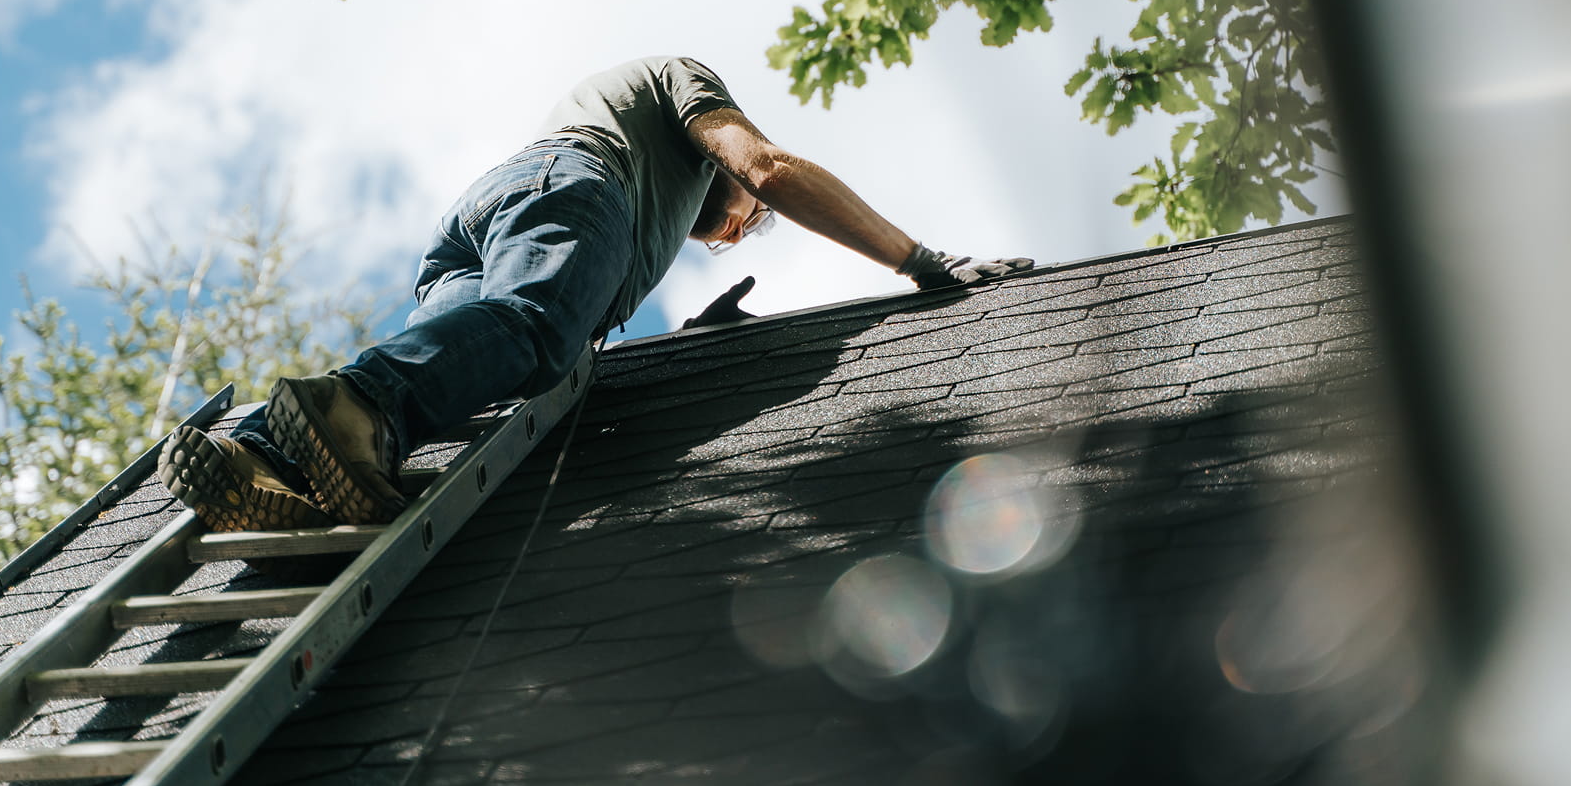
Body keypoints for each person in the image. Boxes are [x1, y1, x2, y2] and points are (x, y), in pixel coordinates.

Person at [157, 56, 1031, 532]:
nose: (727, 235)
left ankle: (259, 455)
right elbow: (766, 165)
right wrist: (919, 260)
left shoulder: (630, 166)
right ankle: (358, 405)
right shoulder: (684, 91)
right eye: (736, 225)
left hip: (484, 215)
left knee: (465, 360)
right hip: (571, 188)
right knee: (537, 332)